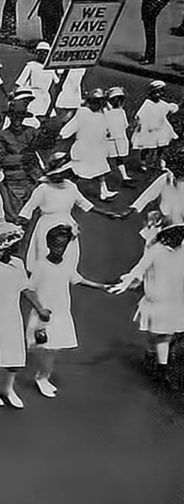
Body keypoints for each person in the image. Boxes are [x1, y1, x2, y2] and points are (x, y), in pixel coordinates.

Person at [27, 225, 112, 398]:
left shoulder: (66, 264)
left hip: (61, 313)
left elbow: (77, 279)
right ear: (49, 244)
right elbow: (28, 289)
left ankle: (44, 377)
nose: (60, 249)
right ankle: (41, 377)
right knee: (45, 348)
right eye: (57, 245)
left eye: (63, 246)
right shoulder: (41, 265)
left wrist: (101, 286)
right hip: (44, 315)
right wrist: (39, 308)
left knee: (54, 349)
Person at [0, 223, 50, 409]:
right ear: (5, 244)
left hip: (12, 314)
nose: (18, 246)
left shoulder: (18, 264)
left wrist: (40, 308)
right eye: (15, 242)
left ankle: (8, 389)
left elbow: (25, 289)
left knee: (14, 357)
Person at [18, 155, 126, 272]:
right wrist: (20, 225)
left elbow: (84, 203)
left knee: (67, 254)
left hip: (67, 225)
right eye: (58, 174)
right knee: (44, 252)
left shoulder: (70, 186)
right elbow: (29, 208)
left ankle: (62, 278)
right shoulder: (43, 189)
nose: (61, 176)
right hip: (46, 226)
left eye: (64, 174)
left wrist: (106, 213)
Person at [111, 223, 184, 388]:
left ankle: (157, 359)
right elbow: (138, 270)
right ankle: (161, 370)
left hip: (176, 301)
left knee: (167, 336)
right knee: (163, 336)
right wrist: (126, 282)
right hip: (159, 303)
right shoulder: (155, 252)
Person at [60, 88, 120, 200]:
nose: (98, 104)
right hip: (83, 149)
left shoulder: (101, 114)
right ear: (90, 102)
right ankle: (61, 188)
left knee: (100, 171)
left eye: (101, 102)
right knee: (76, 171)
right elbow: (72, 126)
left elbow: (104, 128)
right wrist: (63, 134)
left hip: (96, 149)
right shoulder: (83, 113)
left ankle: (104, 191)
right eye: (96, 102)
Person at [132, 80, 180, 174]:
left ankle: (160, 162)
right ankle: (143, 162)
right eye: (156, 92)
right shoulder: (147, 104)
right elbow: (139, 116)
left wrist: (174, 107)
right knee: (146, 146)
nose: (158, 95)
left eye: (160, 92)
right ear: (151, 93)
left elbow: (170, 108)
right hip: (149, 129)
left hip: (161, 128)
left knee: (162, 146)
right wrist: (141, 125)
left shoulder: (162, 104)